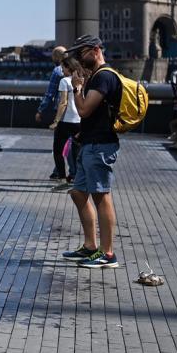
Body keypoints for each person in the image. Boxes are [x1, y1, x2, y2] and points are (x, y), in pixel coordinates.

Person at [61, 35, 122, 270]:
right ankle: (89, 246)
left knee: (101, 196)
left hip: (100, 145)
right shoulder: (96, 77)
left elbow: (85, 110)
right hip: (89, 143)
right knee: (78, 192)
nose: (77, 58)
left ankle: (107, 254)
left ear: (96, 50)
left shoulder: (104, 76)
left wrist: (76, 88)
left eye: (82, 52)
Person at [50, 58, 83, 182]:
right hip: (79, 122)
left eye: (63, 67)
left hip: (65, 122)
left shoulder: (64, 81)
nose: (62, 70)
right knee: (76, 152)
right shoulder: (81, 80)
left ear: (69, 68)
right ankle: (76, 178)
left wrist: (56, 121)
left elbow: (63, 102)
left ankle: (62, 178)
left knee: (58, 151)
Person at [36, 46, 67, 130]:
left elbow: (50, 93)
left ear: (56, 57)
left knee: (60, 140)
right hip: (76, 112)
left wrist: (40, 110)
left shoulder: (57, 70)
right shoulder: (74, 69)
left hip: (60, 111)